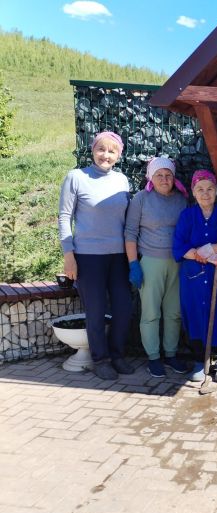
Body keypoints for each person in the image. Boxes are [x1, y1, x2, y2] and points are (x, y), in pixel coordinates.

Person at [58, 131, 133, 380]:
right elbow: (64, 217)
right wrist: (69, 254)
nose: (106, 155)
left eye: (112, 151)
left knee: (123, 307)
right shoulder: (76, 178)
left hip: (118, 256)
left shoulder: (122, 181)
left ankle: (117, 355)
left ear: (119, 155)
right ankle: (100, 359)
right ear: (93, 150)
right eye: (101, 149)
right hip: (88, 256)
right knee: (96, 310)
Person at [172, 170, 217, 383]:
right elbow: (178, 246)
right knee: (194, 315)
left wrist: (212, 248)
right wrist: (203, 255)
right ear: (193, 192)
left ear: (216, 191)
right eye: (200, 189)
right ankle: (199, 360)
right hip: (193, 277)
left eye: (210, 189)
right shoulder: (187, 217)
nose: (205, 193)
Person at [124, 157, 188, 377]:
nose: (164, 179)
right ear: (151, 177)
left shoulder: (181, 200)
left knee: (174, 312)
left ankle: (170, 354)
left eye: (168, 175)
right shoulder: (141, 199)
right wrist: (134, 264)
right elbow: (130, 233)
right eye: (159, 175)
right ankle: (153, 357)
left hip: (178, 263)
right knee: (150, 313)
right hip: (150, 261)